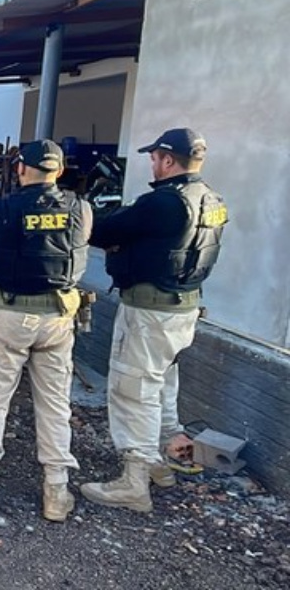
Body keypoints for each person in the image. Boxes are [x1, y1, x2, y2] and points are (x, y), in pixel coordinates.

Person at [81, 128, 227, 512]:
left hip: (150, 311)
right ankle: (160, 465)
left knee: (134, 389)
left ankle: (134, 482)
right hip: (184, 309)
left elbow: (102, 229)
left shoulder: (162, 202)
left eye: (155, 158)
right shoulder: (210, 199)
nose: (152, 164)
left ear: (167, 158)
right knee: (162, 385)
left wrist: (116, 237)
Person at [0, 139, 92, 523]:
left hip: (9, 316)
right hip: (58, 320)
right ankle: (56, 494)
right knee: (54, 405)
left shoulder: (0, 209)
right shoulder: (81, 209)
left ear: (20, 169)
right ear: (59, 171)